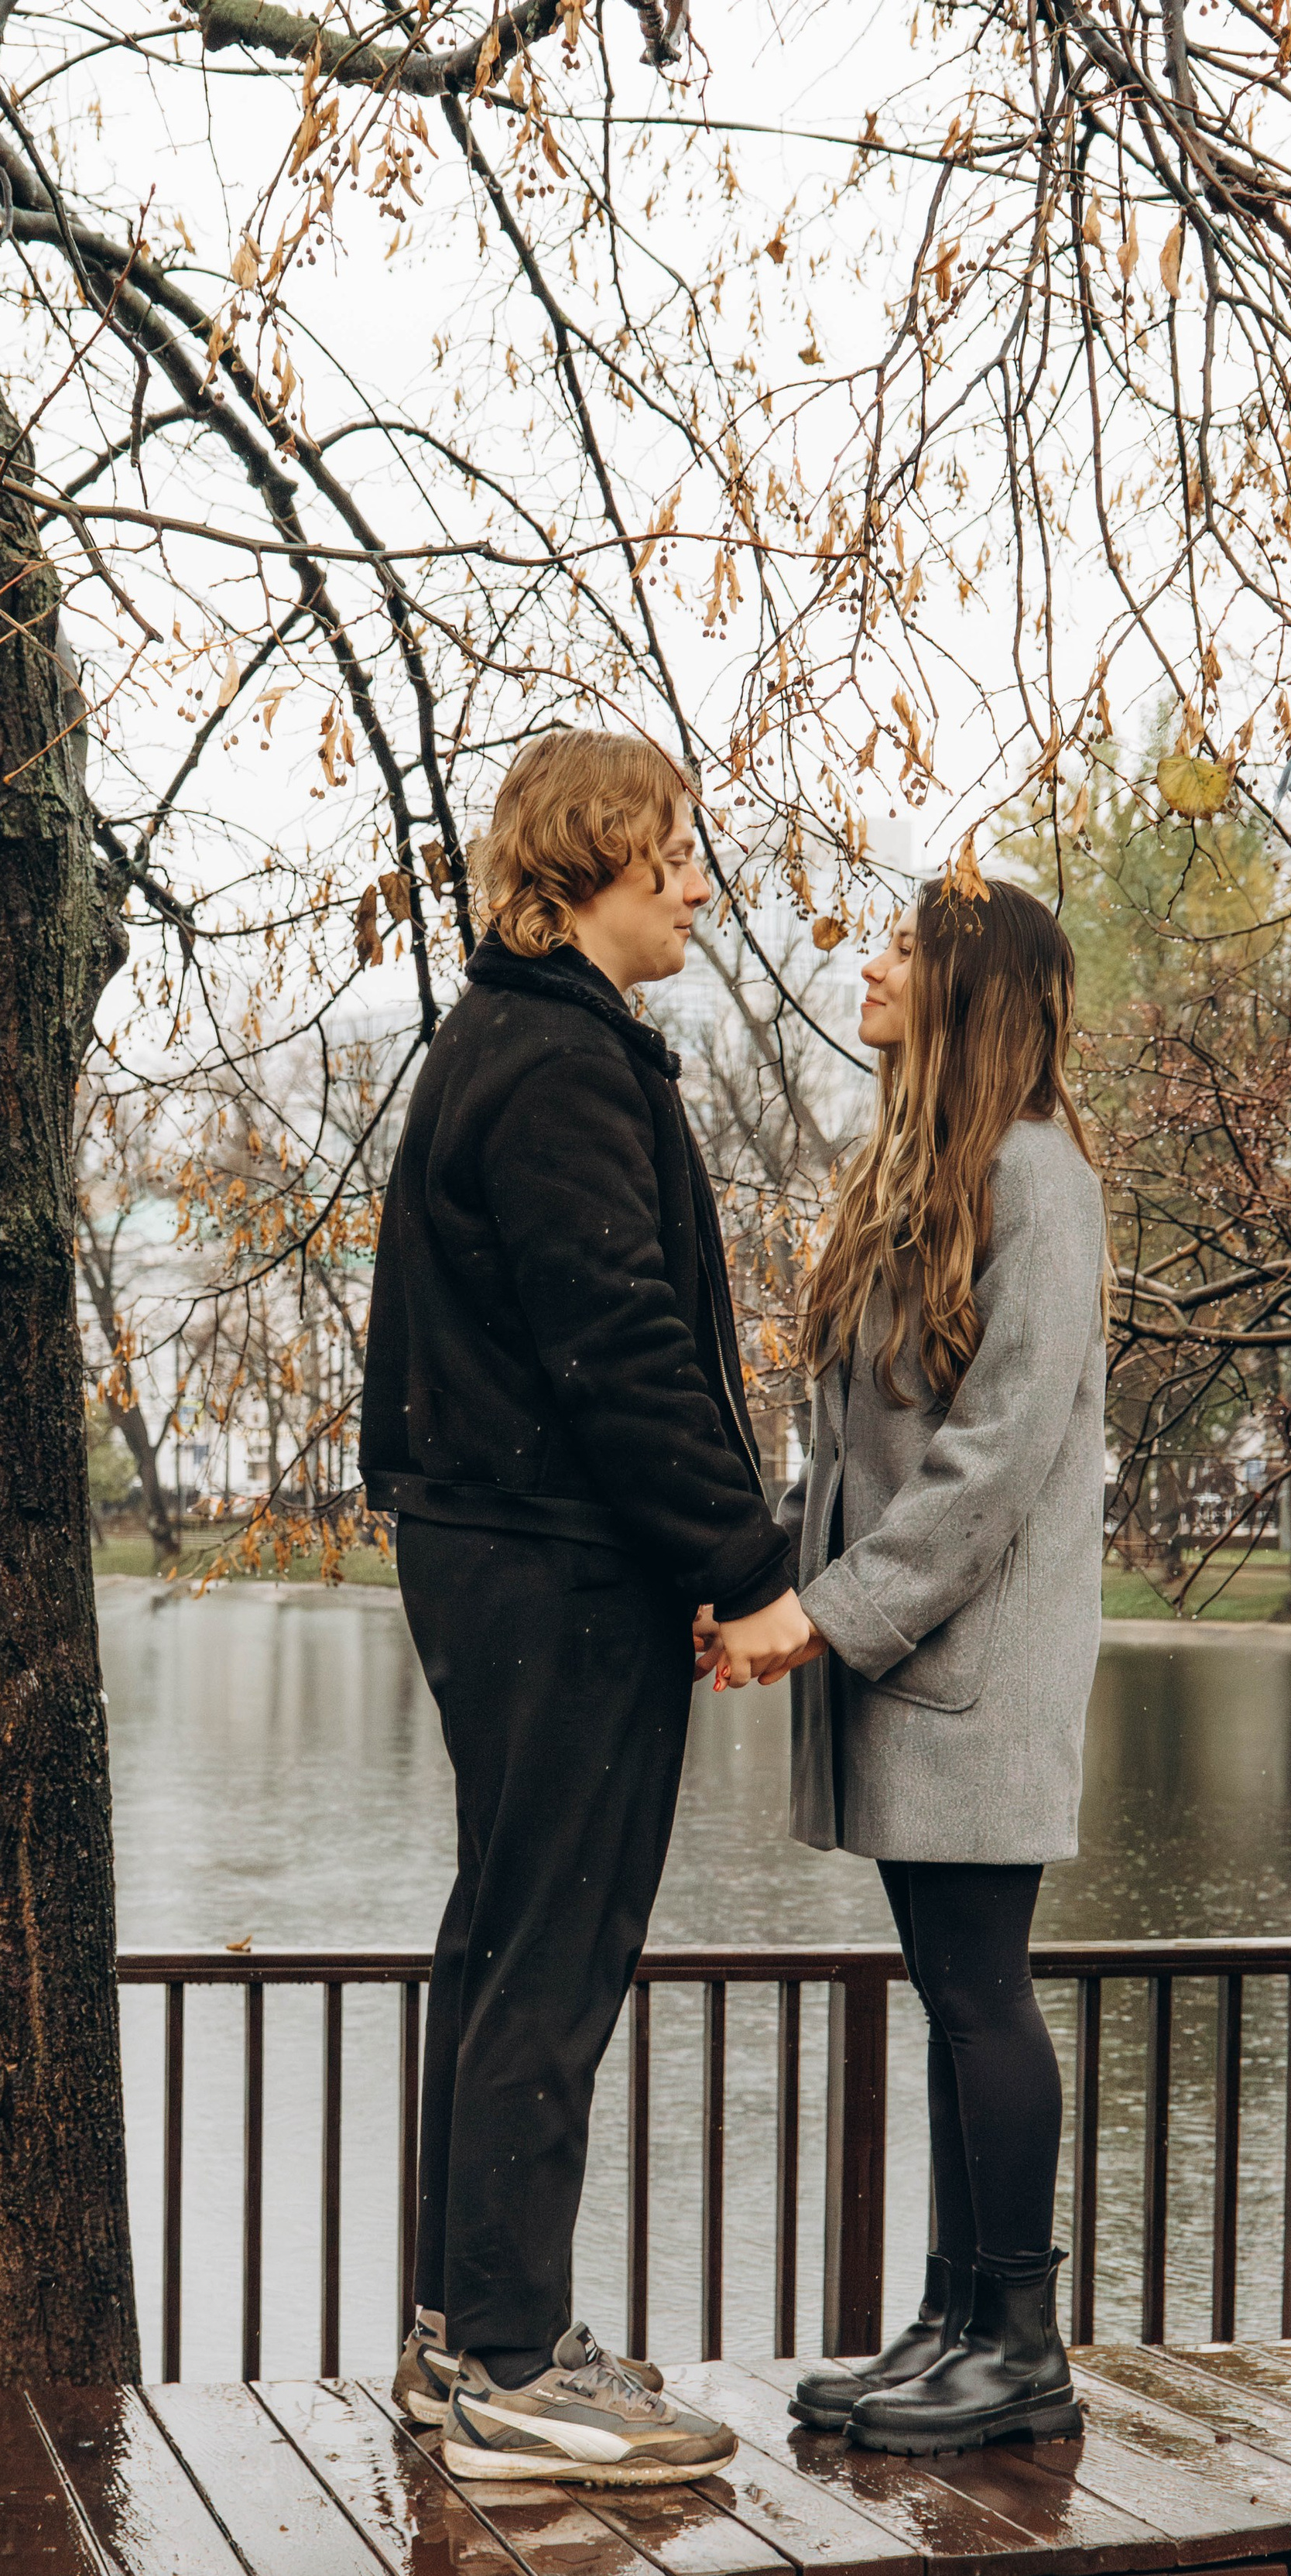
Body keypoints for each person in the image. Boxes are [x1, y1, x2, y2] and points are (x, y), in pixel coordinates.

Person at [360, 728, 811, 2483]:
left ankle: (461, 2340)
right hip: (548, 1552)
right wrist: (747, 1571)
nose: (700, 882)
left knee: (501, 1933)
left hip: (519, 1546)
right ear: (598, 861)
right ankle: (509, 2370)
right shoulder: (552, 1063)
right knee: (552, 1940)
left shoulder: (527, 1042)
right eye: (678, 851)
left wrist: (699, 1556)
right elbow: (617, 1350)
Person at [759, 874, 1107, 2455]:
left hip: (975, 1663)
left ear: (976, 992)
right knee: (949, 1992)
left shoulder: (1037, 1176)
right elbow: (844, 1451)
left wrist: (823, 1615)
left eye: (906, 948)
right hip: (908, 1660)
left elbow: (994, 1460)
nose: (873, 963)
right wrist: (768, 1587)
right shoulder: (912, 1171)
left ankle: (1017, 2346)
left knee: (979, 1997)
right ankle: (953, 2318)